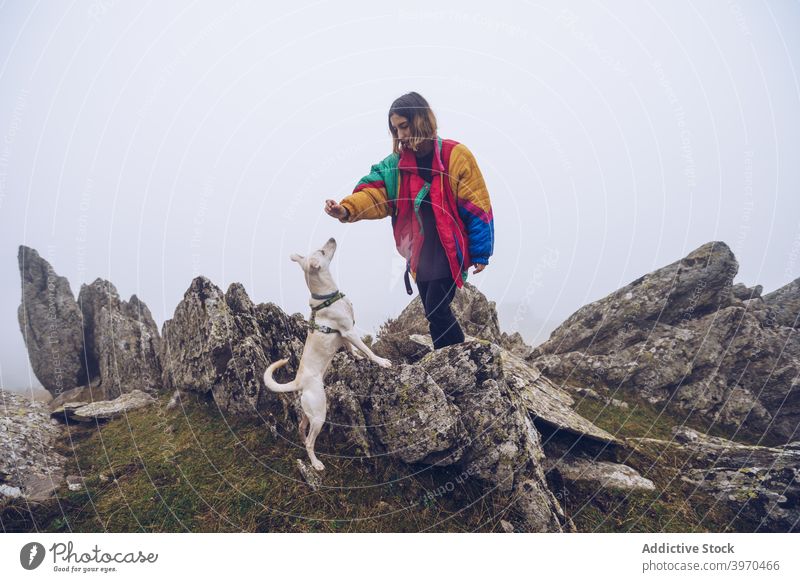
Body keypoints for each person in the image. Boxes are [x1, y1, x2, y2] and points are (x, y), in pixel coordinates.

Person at [324, 92, 494, 350]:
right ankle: (450, 359)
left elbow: (476, 203)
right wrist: (346, 209)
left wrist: (481, 251)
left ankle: (465, 361)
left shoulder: (455, 155)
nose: (401, 134)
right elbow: (374, 193)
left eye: (404, 126)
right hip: (420, 252)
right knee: (432, 310)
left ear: (421, 119)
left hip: (449, 249)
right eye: (395, 129)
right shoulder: (396, 166)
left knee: (437, 308)